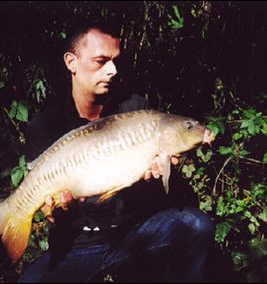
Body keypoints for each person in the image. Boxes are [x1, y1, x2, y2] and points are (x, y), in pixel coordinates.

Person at [18, 22, 214, 283]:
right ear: (71, 62)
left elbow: (156, 189)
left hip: (134, 235)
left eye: (115, 61)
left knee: (195, 224)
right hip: (78, 246)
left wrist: (155, 176)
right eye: (101, 61)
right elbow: (51, 212)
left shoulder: (136, 108)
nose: (112, 70)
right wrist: (53, 207)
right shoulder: (44, 126)